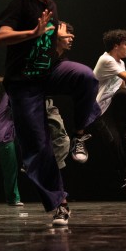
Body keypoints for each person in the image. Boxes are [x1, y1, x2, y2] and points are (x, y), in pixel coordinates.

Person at [0, 0, 101, 226]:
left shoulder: (51, 5)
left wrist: (57, 38)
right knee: (38, 146)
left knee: (86, 76)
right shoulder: (21, 4)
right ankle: (59, 202)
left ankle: (81, 133)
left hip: (48, 72)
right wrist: (33, 32)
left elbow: (46, 45)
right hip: (23, 85)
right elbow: (2, 36)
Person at [91, 29, 126, 195]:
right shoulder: (106, 60)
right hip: (100, 112)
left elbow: (123, 86)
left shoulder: (120, 62)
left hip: (113, 106)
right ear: (116, 46)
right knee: (114, 144)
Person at [0, 76, 24, 207]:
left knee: (10, 169)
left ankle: (12, 198)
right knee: (11, 169)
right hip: (4, 138)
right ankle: (13, 198)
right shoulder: (9, 97)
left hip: (1, 137)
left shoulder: (3, 98)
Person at [45, 22, 74, 168]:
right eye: (68, 34)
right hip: (32, 100)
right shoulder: (44, 52)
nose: (71, 38)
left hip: (46, 101)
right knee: (62, 140)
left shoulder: (63, 61)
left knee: (61, 140)